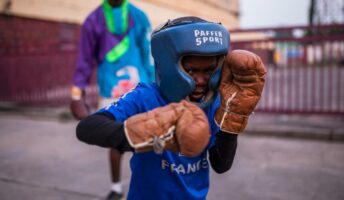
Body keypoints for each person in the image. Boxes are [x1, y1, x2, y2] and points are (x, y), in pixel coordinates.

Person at [76, 16, 266, 199]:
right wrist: (145, 133)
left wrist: (232, 120)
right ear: (168, 65)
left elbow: (221, 164)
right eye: (191, 70)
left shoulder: (214, 102)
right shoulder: (145, 97)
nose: (200, 80)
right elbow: (87, 127)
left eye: (208, 70)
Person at [70, 0, 154, 199]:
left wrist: (155, 88)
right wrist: (76, 95)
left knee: (147, 140)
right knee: (116, 141)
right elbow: (84, 60)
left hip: (140, 91)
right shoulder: (93, 21)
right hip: (111, 91)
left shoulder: (139, 16)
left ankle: (147, 188)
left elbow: (148, 54)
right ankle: (116, 188)